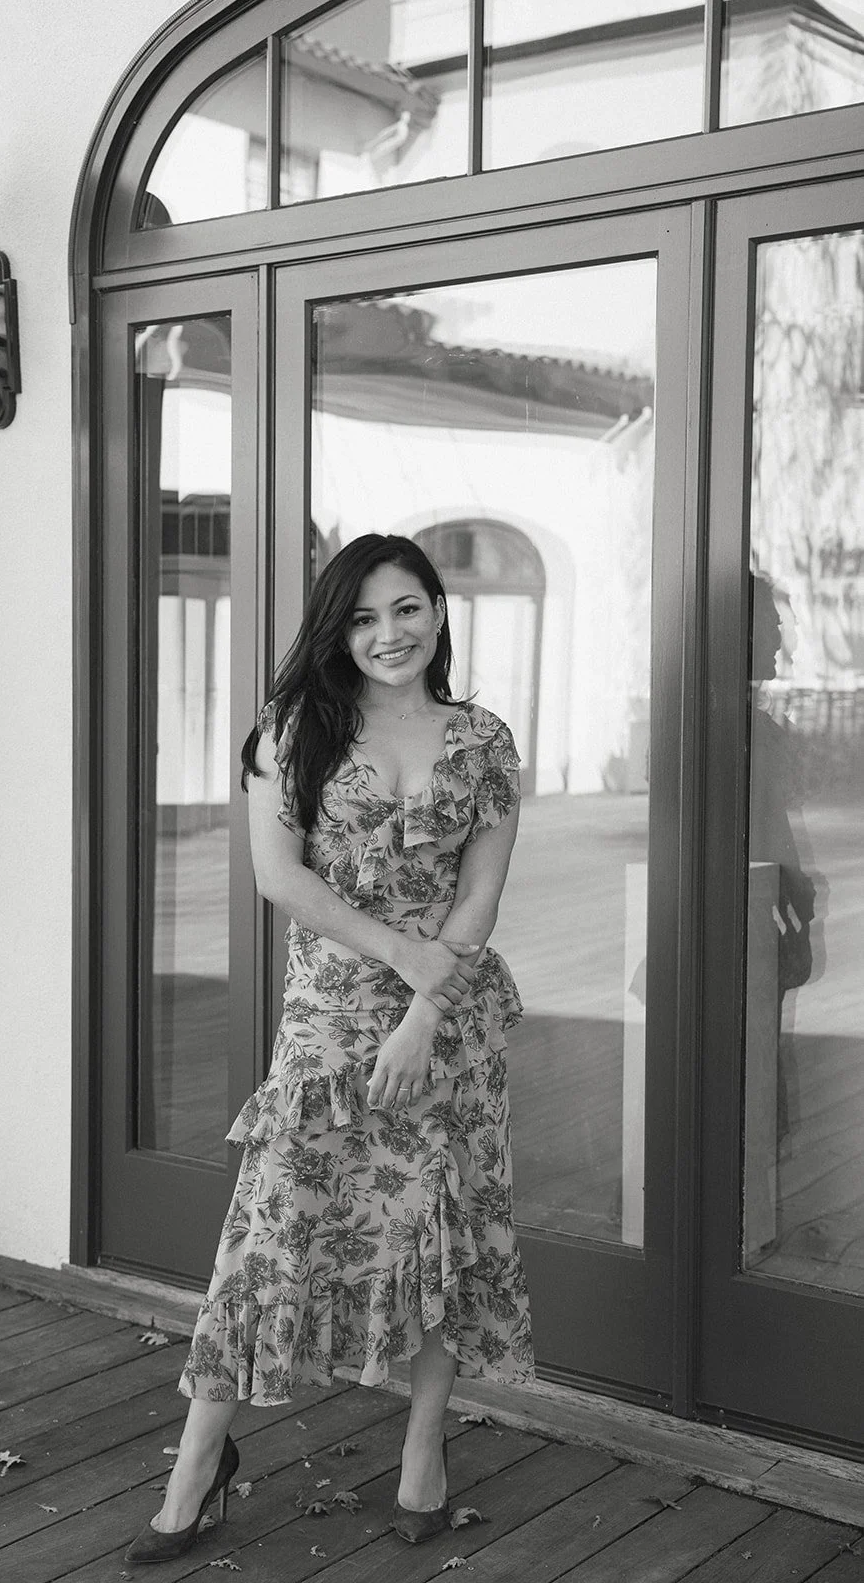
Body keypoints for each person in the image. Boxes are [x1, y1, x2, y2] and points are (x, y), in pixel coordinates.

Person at [124, 533, 533, 1565]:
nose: (387, 633)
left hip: (448, 1020)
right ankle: (196, 1465)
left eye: (406, 608)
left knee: (440, 1232)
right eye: (361, 617)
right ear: (335, 630)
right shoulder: (292, 731)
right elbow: (281, 878)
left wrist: (424, 1013)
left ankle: (422, 1450)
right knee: (269, 1233)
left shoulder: (482, 739)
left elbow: (480, 892)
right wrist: (401, 956)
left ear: (437, 611)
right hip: (331, 1017)